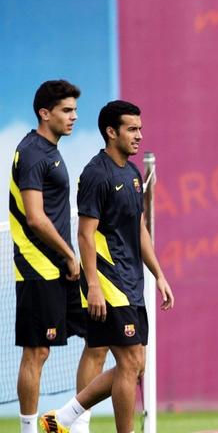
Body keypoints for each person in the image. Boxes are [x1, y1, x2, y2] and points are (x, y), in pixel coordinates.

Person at [41, 100, 175, 433]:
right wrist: (94, 286)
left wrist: (158, 274)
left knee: (135, 365)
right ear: (111, 132)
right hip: (107, 281)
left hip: (132, 282)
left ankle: (62, 419)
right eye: (132, 129)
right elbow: (84, 235)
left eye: (140, 128)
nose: (139, 135)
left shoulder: (132, 174)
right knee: (129, 362)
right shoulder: (96, 174)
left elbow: (139, 228)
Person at [11, 80, 106, 433]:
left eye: (75, 110)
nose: (74, 117)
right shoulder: (34, 152)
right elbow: (35, 217)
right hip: (39, 268)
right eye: (67, 110)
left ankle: (70, 423)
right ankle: (28, 430)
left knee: (99, 337)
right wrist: (70, 256)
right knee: (37, 353)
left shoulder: (50, 150)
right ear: (44, 113)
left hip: (63, 268)